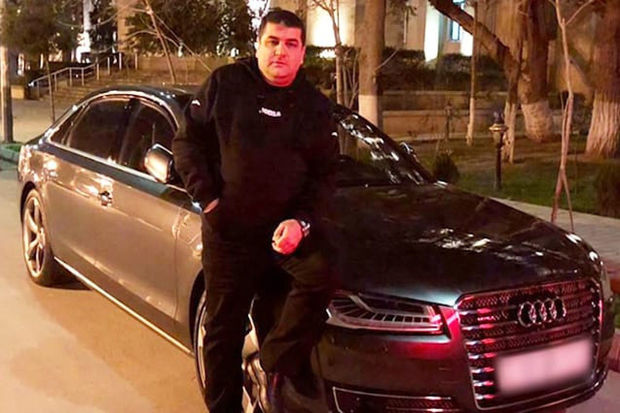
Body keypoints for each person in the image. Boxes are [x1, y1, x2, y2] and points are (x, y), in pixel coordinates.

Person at [172, 8, 338, 413]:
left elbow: (324, 176)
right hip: (229, 232)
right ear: (258, 45)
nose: (281, 51)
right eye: (273, 42)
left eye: (291, 44)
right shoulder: (225, 85)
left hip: (284, 234)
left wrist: (301, 223)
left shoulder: (315, 107)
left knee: (322, 272)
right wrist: (210, 202)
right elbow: (186, 143)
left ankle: (274, 360)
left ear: (303, 53)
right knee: (222, 332)